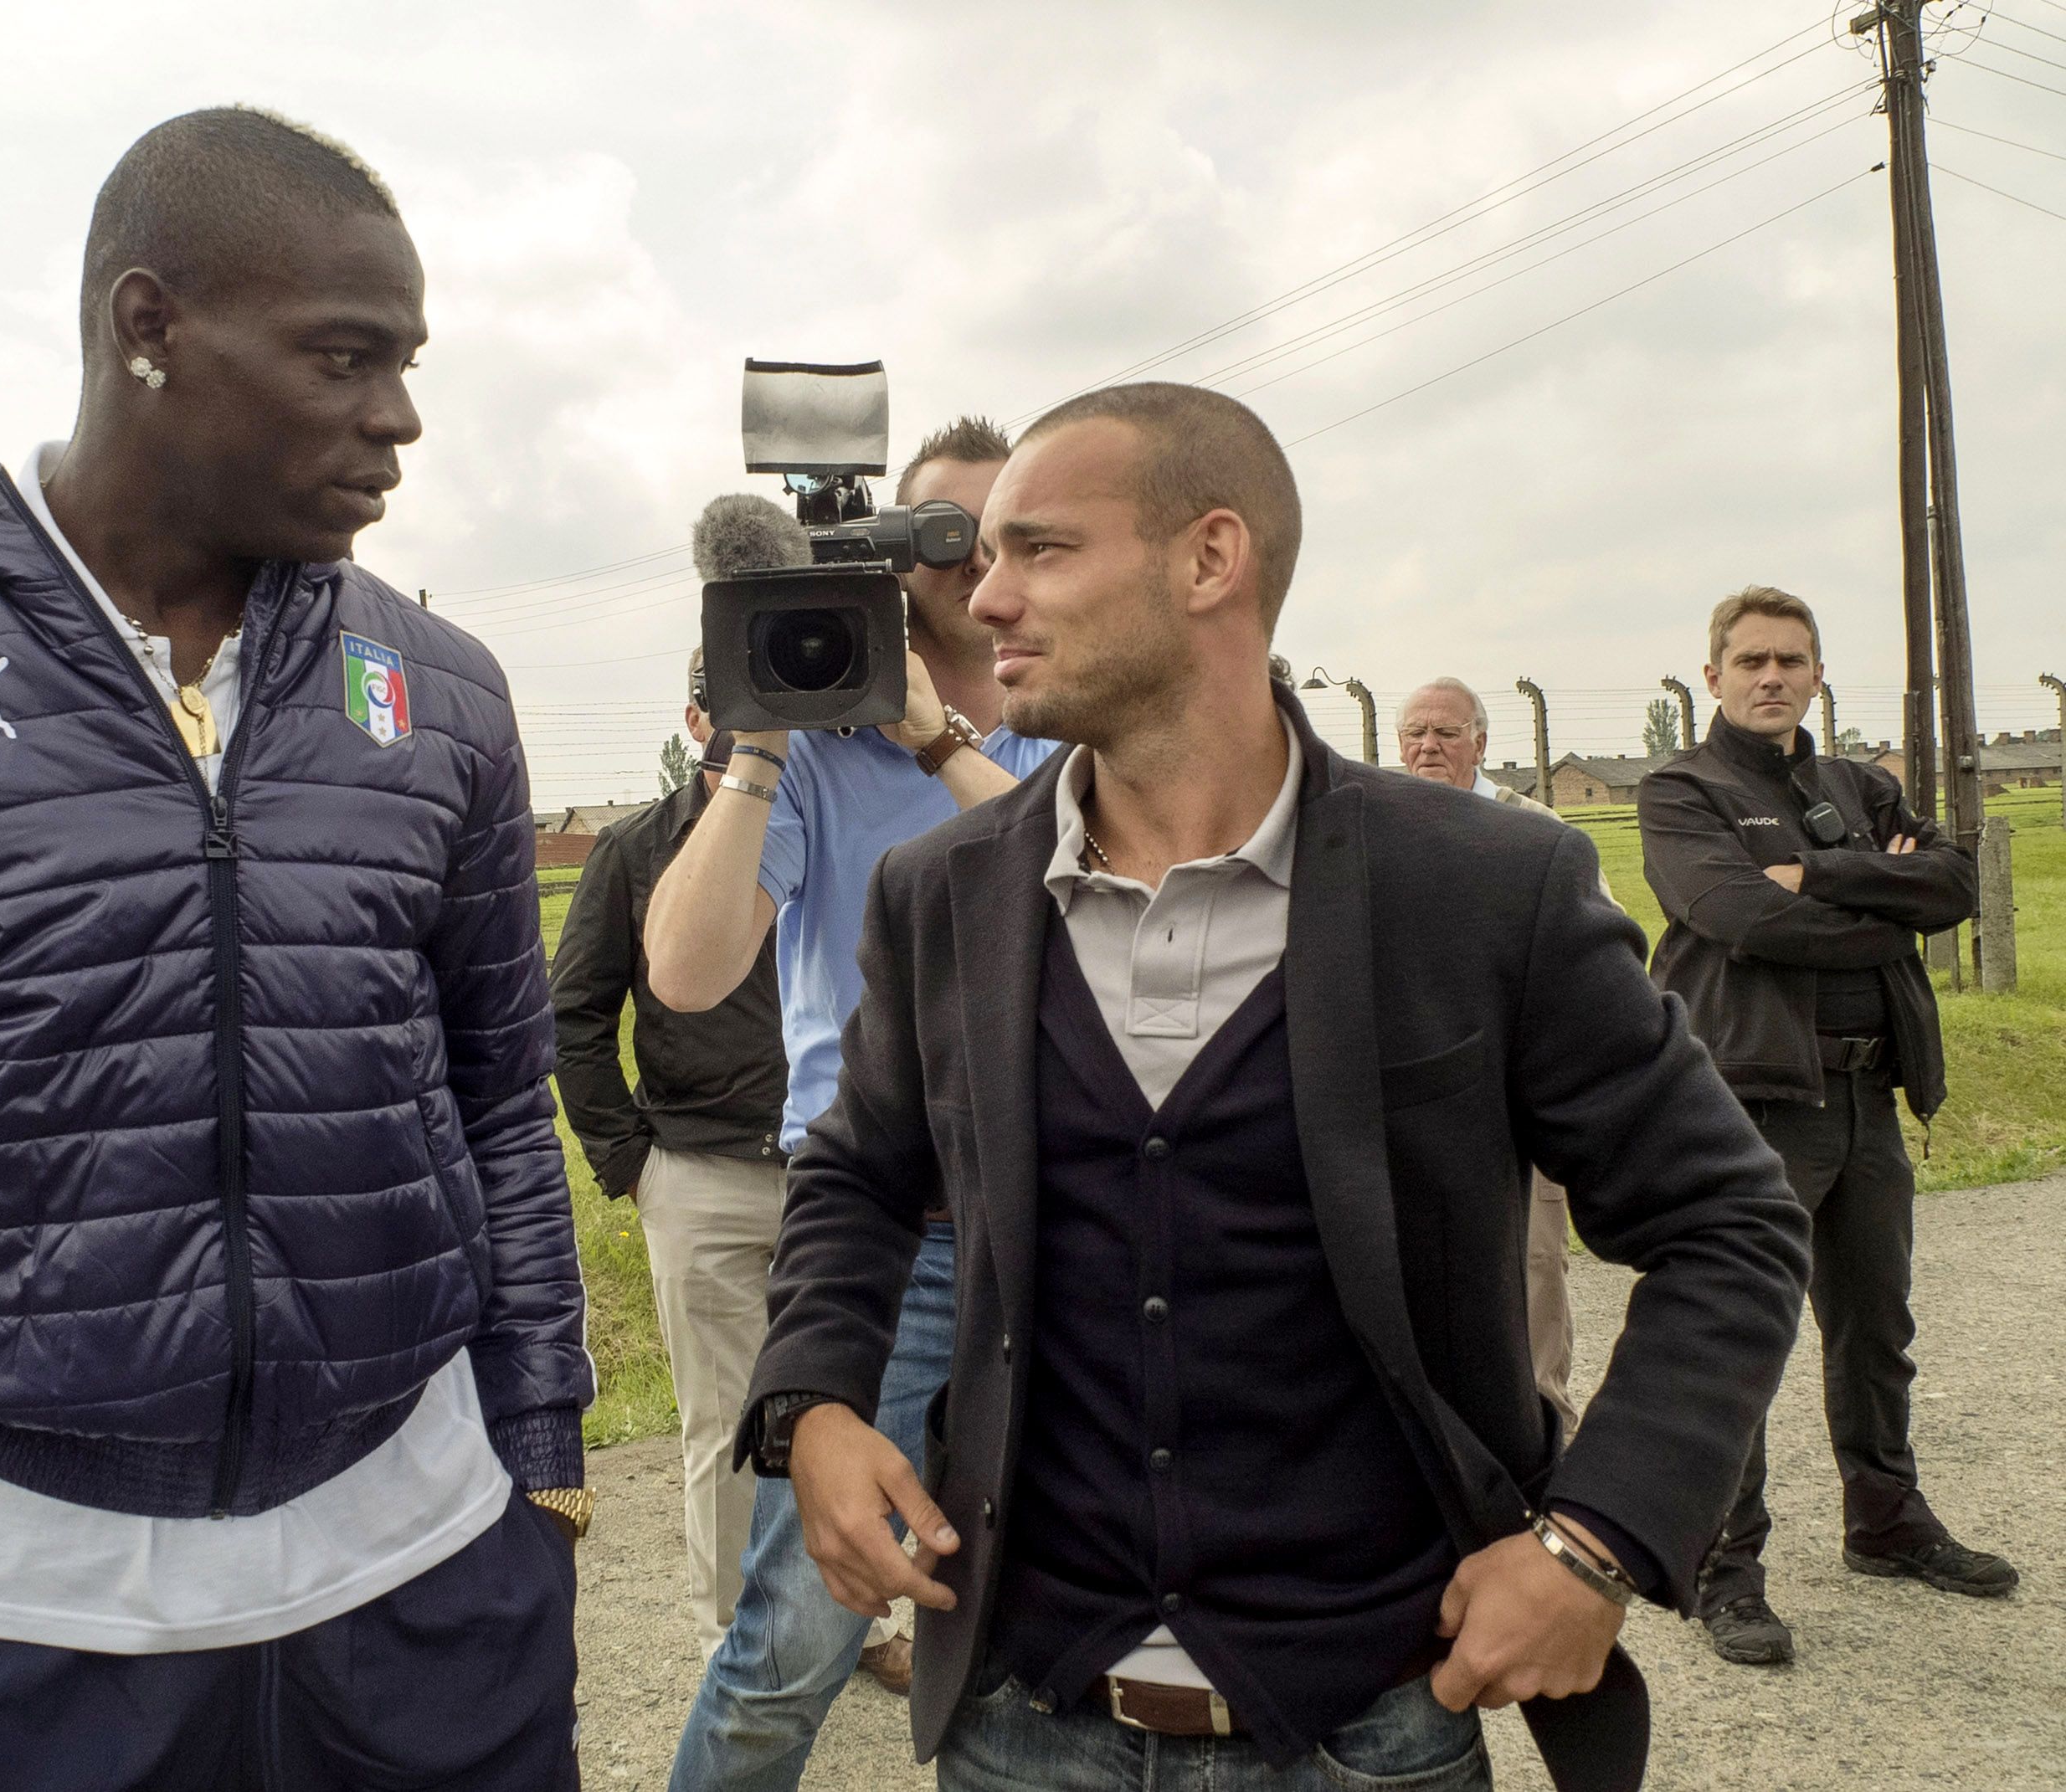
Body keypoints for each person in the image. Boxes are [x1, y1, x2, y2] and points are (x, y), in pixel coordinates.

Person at [0, 108, 588, 1792]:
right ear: (148, 327)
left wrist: (546, 1456)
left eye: (408, 361)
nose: (400, 416)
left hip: (431, 1592)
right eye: (345, 356)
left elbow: (503, 1097)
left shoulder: (442, 689)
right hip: (13, 1626)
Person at [742, 383, 1813, 1791]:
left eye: (1039, 550)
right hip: (1025, 1726)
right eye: (985, 556)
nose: (984, 599)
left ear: (1210, 559)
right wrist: (815, 1401)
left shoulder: (1484, 887)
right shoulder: (943, 893)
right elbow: (860, 1170)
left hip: (1372, 1725)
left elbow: (1729, 1223)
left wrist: (1593, 1543)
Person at [647, 418, 1061, 1791]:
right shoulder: (817, 759)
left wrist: (941, 741)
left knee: (1044, 1620)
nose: (977, 561)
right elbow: (689, 969)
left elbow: (1078, 906)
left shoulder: (1075, 735)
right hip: (894, 1240)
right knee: (793, 1642)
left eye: (1011, 532)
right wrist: (759, 741)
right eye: (945, 532)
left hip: (1068, 1222)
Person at [1638, 586, 2017, 1669]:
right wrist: (1882, 913)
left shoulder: (1855, 785)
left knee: (1875, 1327)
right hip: (1752, 1104)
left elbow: (1949, 881)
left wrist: (1832, 877)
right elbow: (1737, 915)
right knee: (1742, 1338)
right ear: (1711, 676)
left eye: (1791, 660)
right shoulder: (1682, 789)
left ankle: (1885, 1521)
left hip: (1866, 1098)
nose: (1772, 676)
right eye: (1750, 659)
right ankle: (1725, 1567)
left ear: (1815, 674)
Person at [550, 660, 789, 1660]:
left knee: (856, 1407)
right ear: (697, 718)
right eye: (735, 708)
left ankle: (854, 1623)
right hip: (700, 1174)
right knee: (727, 1430)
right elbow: (575, 1017)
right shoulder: (634, 850)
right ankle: (738, 1639)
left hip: (848, 1173)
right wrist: (632, 1163)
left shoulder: (834, 823)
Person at [1395, 675, 1622, 1440]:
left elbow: (1603, 952)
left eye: (1447, 733)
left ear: (1482, 745)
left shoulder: (1537, 833)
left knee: (1529, 1268)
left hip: (1516, 1094)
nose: (1428, 745)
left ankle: (1541, 1435)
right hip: (1411, 1095)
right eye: (1414, 732)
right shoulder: (1376, 825)